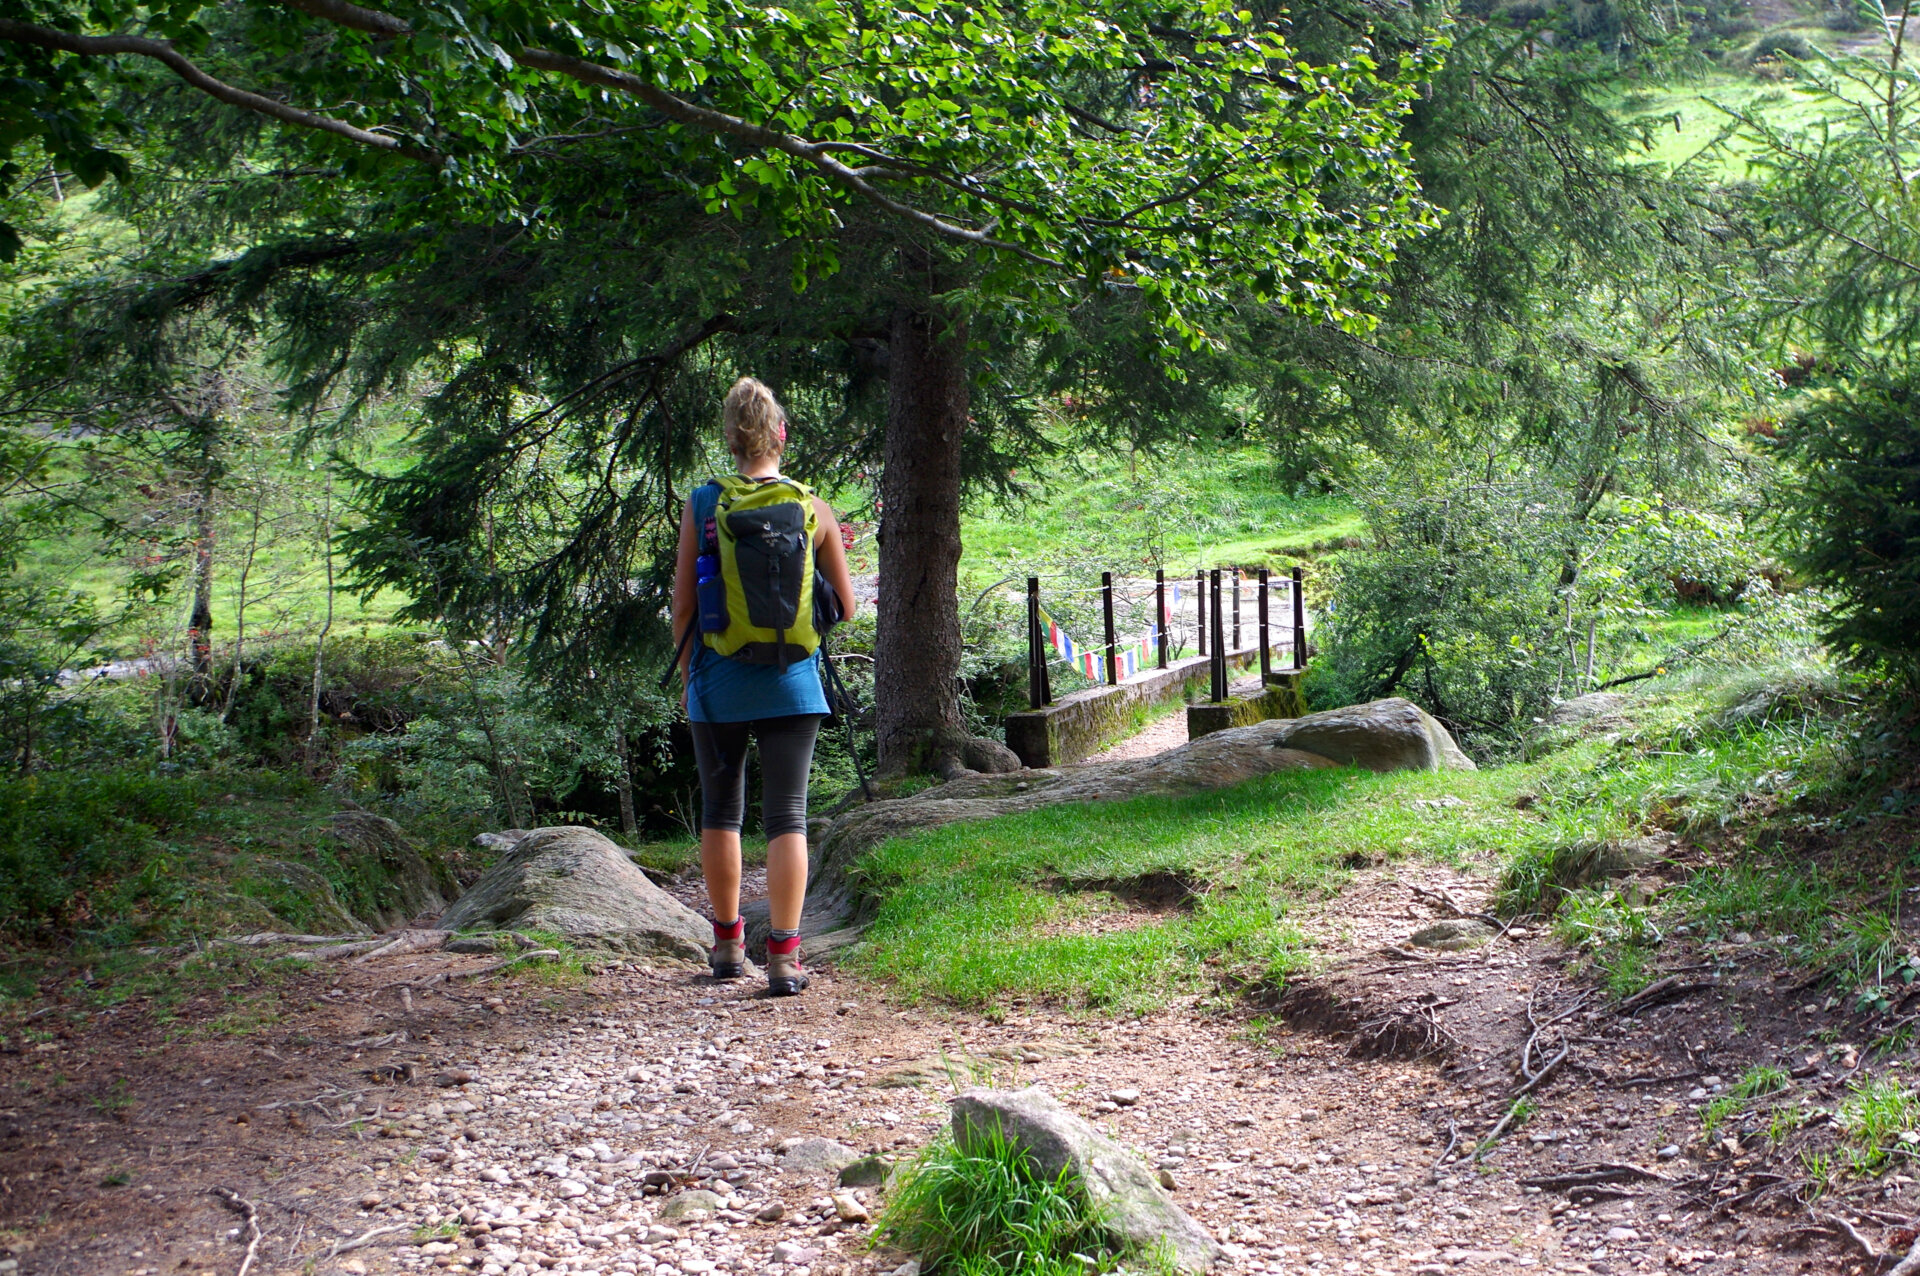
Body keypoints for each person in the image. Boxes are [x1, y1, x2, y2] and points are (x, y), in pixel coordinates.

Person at [670, 377, 856, 996]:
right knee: (788, 817)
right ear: (780, 433)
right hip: (793, 683)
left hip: (717, 682)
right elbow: (848, 609)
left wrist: (689, 675)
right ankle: (783, 958)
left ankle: (726, 948)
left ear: (730, 438)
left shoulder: (703, 503)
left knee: (721, 811)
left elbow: (683, 608)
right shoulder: (811, 505)